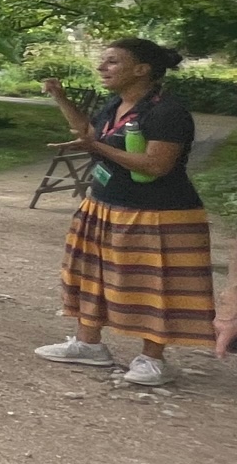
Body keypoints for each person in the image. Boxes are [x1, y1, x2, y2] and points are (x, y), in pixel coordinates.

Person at [37, 38, 217, 386]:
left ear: (141, 69)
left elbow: (156, 165)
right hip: (104, 205)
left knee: (155, 286)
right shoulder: (116, 105)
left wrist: (96, 146)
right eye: (102, 61)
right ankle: (89, 345)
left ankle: (153, 359)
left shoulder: (167, 112)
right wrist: (61, 99)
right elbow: (89, 133)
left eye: (112, 62)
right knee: (92, 277)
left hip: (158, 214)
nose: (102, 67)